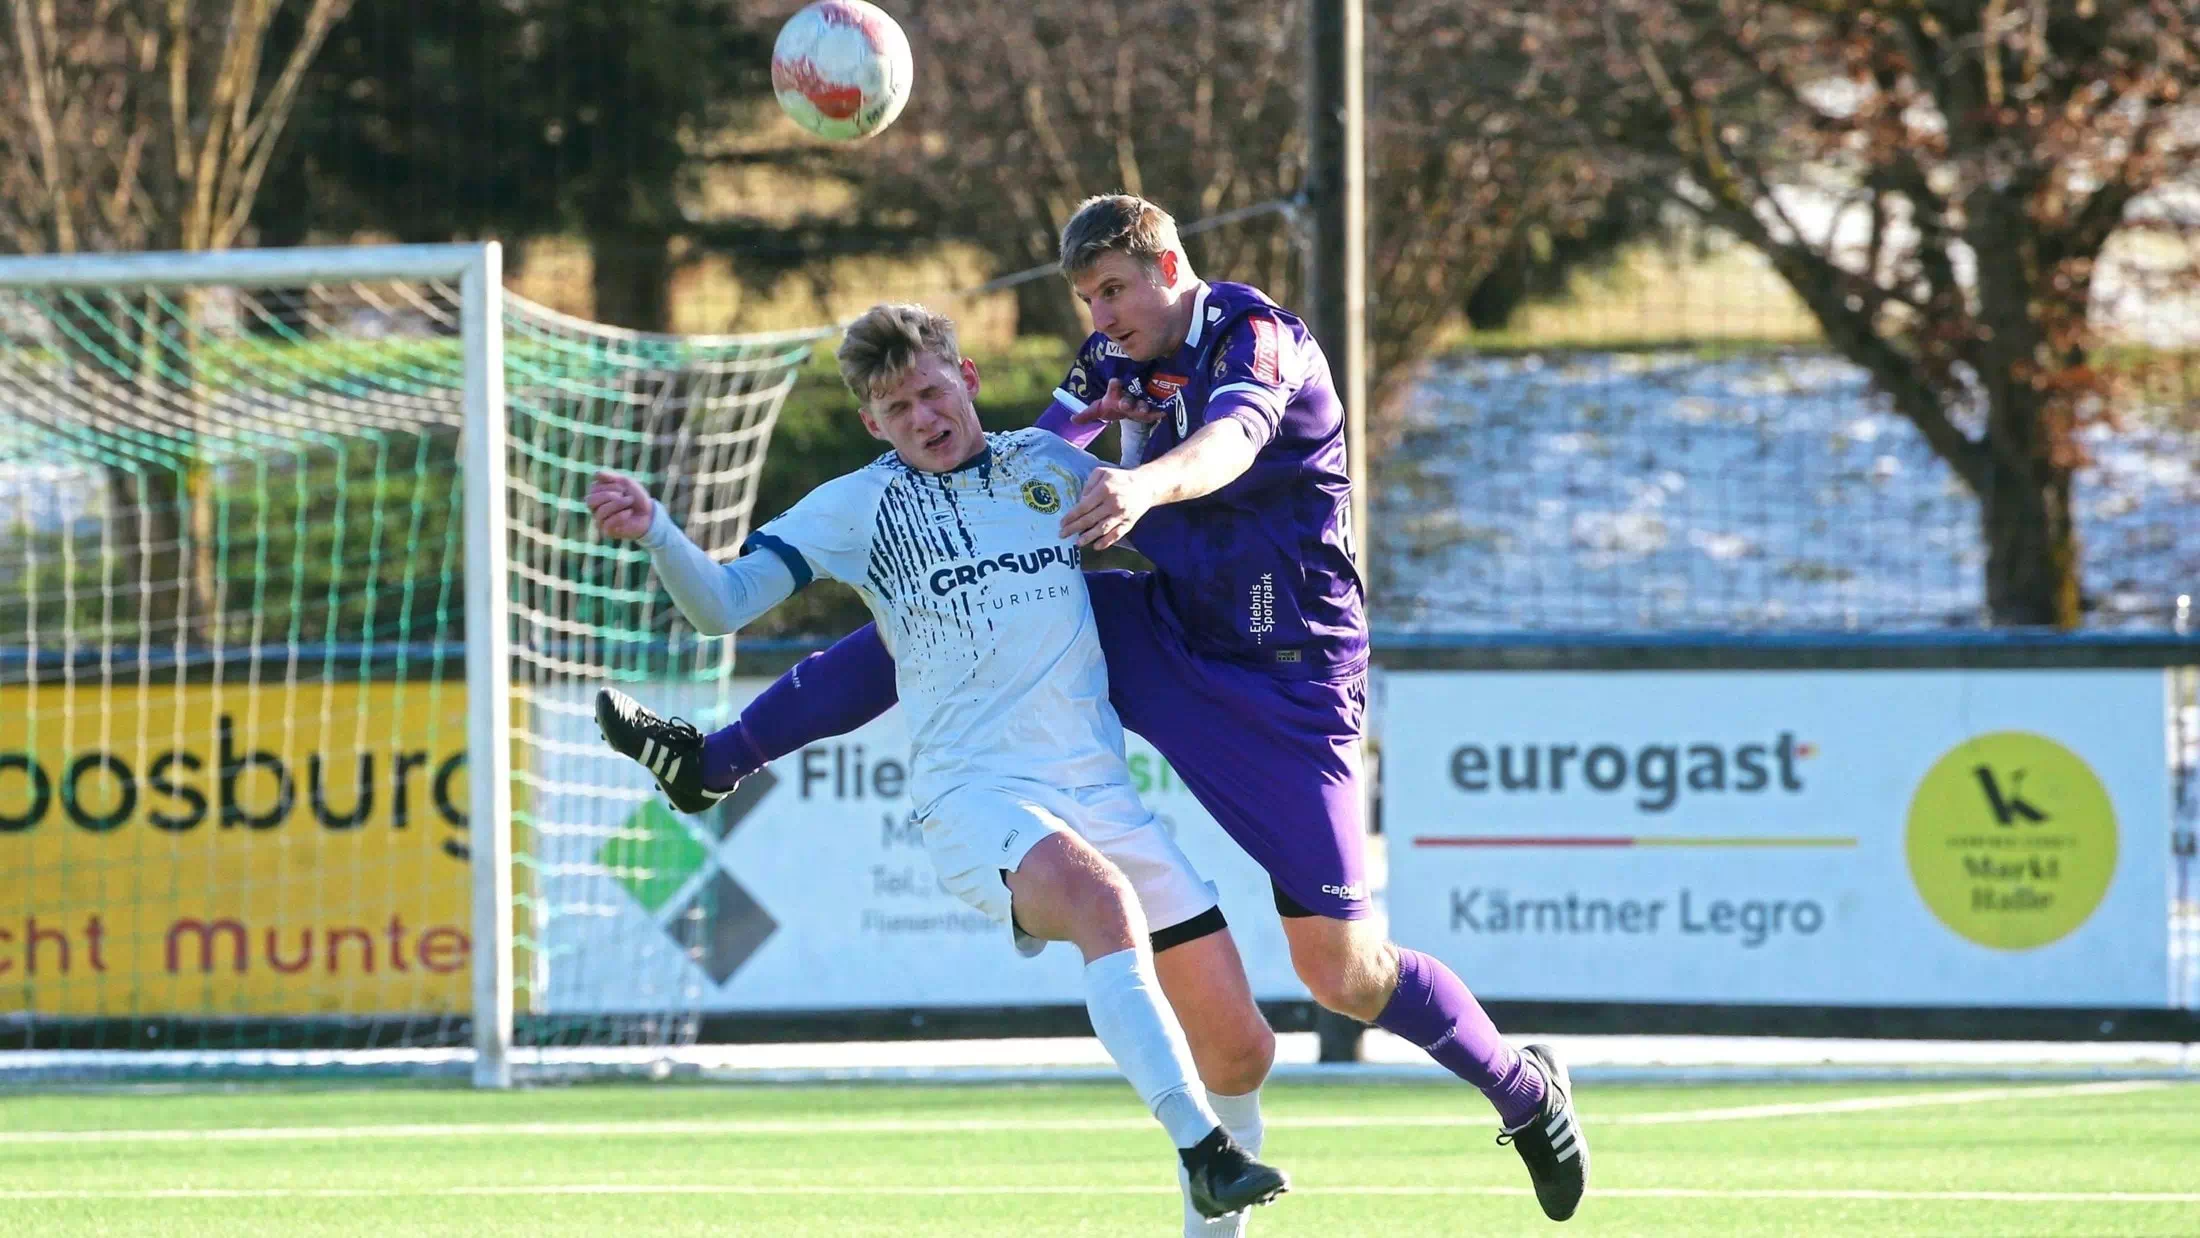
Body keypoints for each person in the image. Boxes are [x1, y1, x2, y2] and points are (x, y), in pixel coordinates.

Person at [657, 195, 1592, 1223]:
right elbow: (1033, 450)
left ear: (1169, 265)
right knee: (960, 598)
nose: (1098, 315)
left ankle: (1522, 1087)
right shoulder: (1111, 356)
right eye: (1084, 297)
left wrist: (1142, 489)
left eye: (1113, 289)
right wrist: (935, 463)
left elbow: (1231, 442)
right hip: (1163, 623)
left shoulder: (1257, 337)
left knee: (1342, 972)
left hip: (1289, 676)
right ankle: (723, 754)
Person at [587, 302, 1288, 1224]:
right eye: (897, 406)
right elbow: (723, 604)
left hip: (1099, 792)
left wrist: (1213, 506)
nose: (923, 415)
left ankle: (1216, 1198)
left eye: (930, 388)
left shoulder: (1047, 466)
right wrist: (656, 533)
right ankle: (1199, 1148)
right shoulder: (854, 507)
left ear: (967, 378)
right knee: (1099, 904)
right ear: (872, 424)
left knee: (1240, 1048)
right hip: (974, 798)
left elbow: (1172, 529)